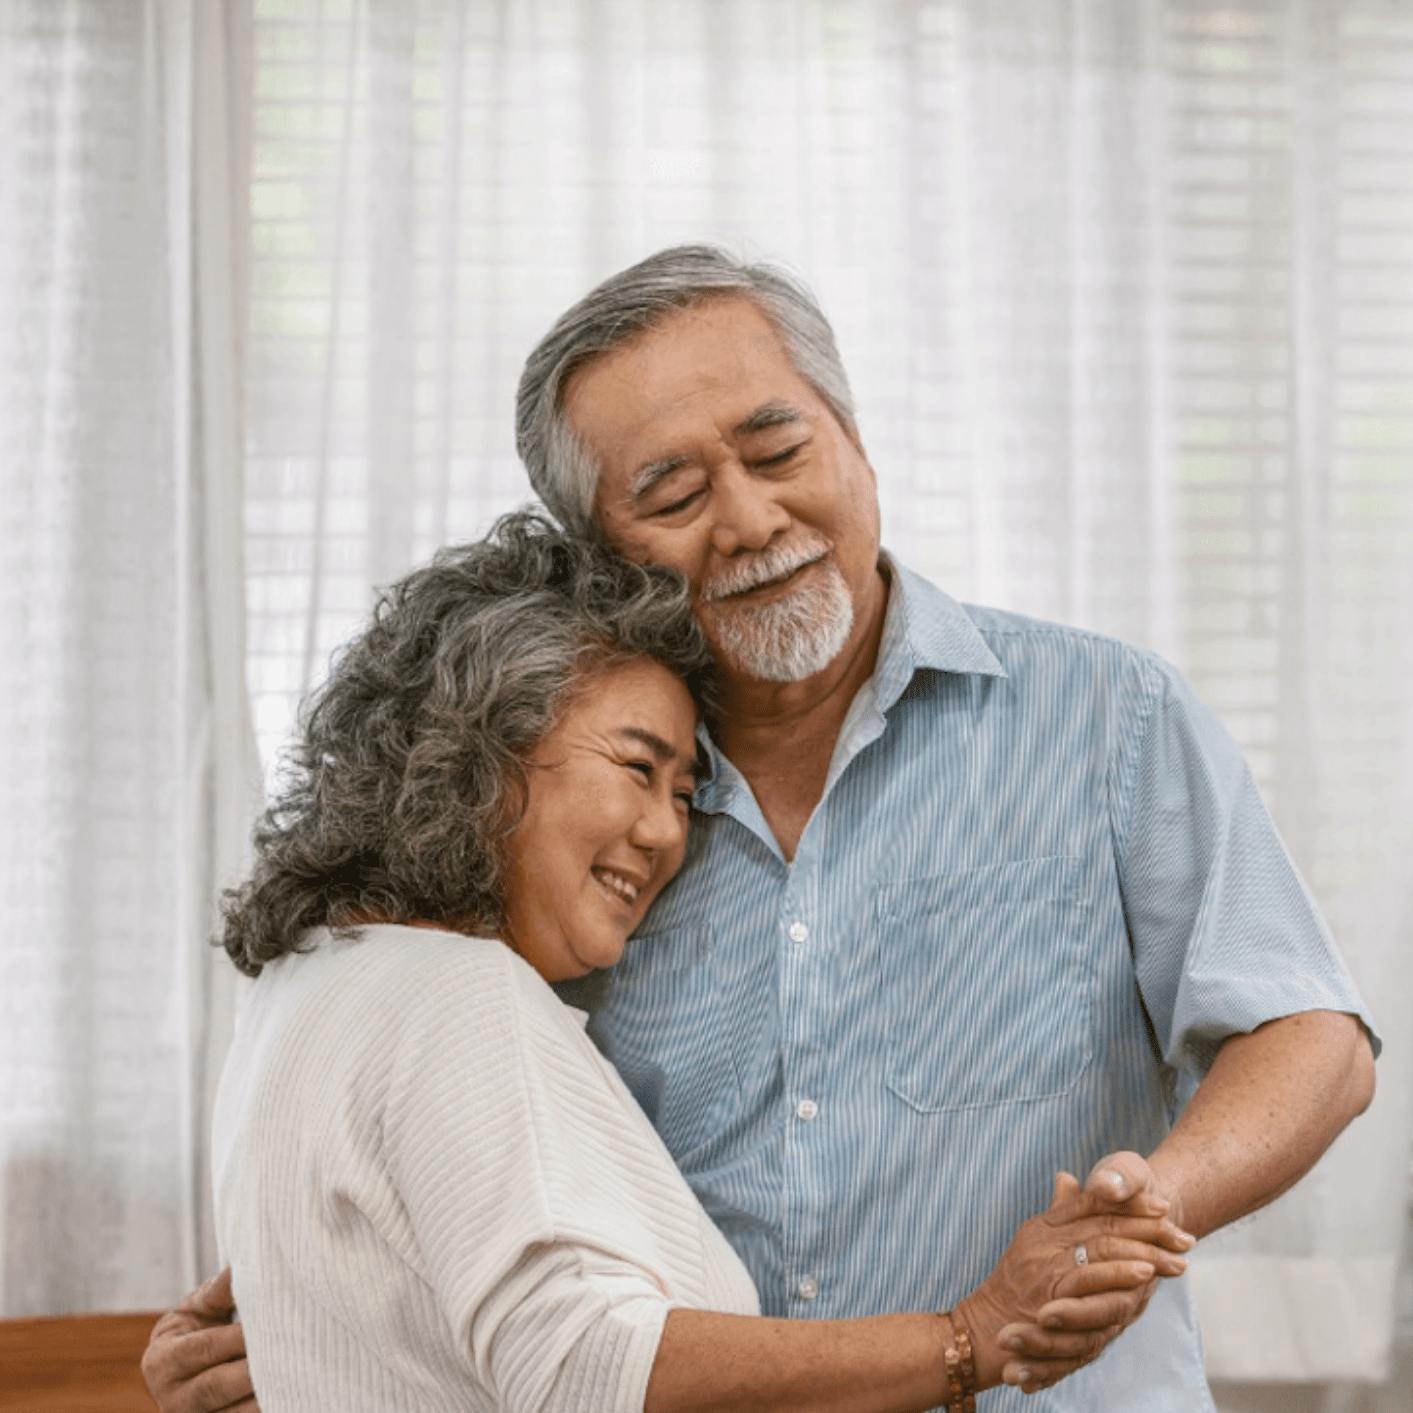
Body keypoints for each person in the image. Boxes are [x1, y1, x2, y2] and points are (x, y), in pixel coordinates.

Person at [145, 248, 1377, 1411]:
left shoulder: (1108, 715)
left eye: (777, 446)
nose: (745, 518)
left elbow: (1312, 1033)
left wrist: (1145, 1206)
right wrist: (323, 1304)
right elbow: (468, 1150)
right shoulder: (566, 828)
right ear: (599, 556)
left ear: (856, 443)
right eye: (672, 492)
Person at [197, 510, 1192, 1413]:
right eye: (639, 767)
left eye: (686, 792)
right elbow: (584, 1364)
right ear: (479, 750)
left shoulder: (307, 985)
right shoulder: (458, 998)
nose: (668, 835)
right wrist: (966, 1339)